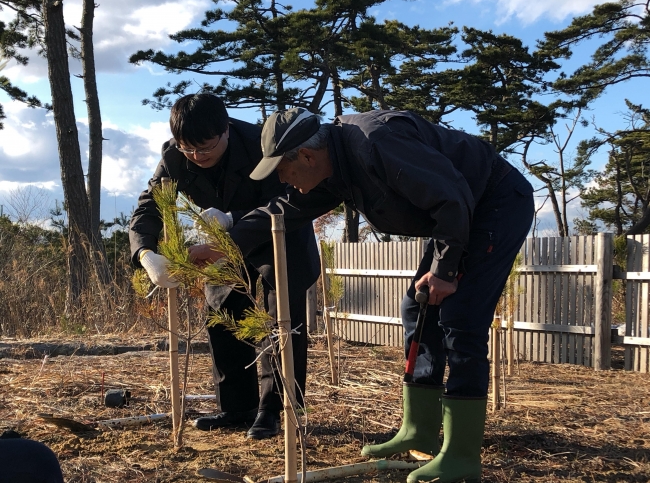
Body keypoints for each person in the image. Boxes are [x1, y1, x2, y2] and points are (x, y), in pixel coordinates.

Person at [202, 108, 533, 483]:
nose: (284, 181)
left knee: (460, 317)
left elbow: (451, 197)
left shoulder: (377, 144)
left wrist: (444, 271)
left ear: (306, 156)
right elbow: (287, 210)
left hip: (493, 202)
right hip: (459, 211)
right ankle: (419, 429)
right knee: (417, 307)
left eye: (283, 172)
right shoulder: (333, 166)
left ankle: (461, 456)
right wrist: (225, 244)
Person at [129, 95, 320, 440]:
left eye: (205, 148)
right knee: (222, 313)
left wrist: (234, 220)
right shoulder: (174, 156)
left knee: (280, 320)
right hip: (219, 244)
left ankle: (275, 409)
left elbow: (289, 199)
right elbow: (148, 207)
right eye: (188, 149)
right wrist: (145, 254)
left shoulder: (261, 144)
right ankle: (236, 407)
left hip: (279, 234)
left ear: (226, 129)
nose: (197, 158)